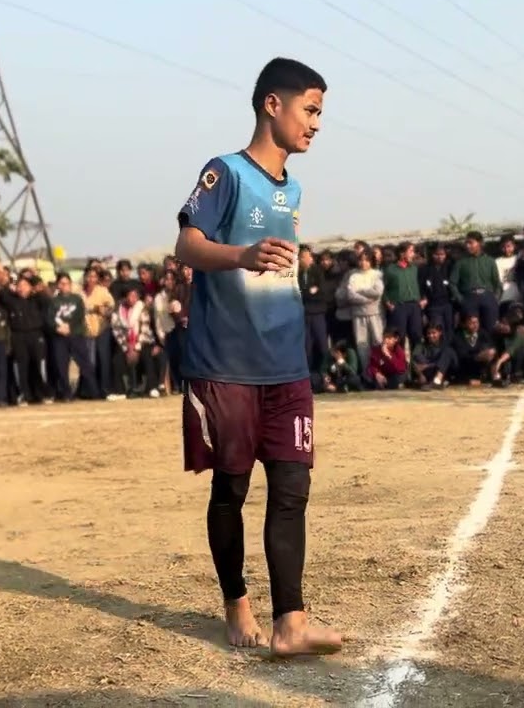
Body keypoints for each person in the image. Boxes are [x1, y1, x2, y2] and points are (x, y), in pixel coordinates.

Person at [172, 57, 342, 658]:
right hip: (224, 366)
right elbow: (187, 243)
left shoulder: (292, 188)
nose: (318, 123)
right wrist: (242, 256)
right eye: (312, 109)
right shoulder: (226, 173)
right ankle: (236, 601)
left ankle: (290, 622)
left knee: (292, 488)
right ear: (274, 104)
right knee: (231, 490)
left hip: (286, 364)